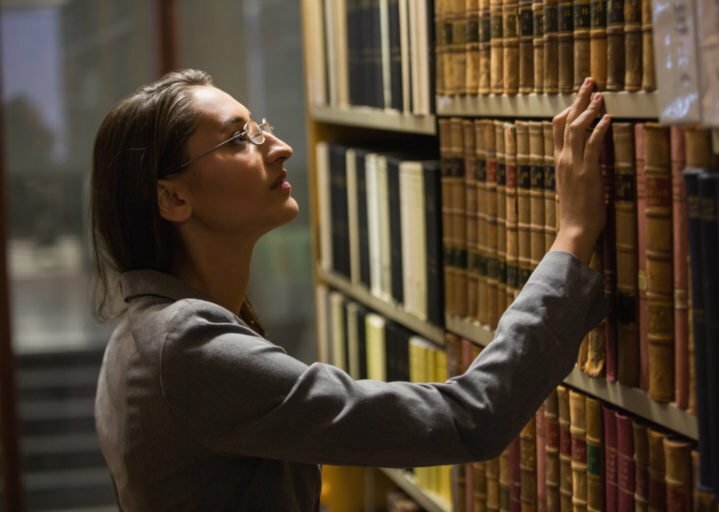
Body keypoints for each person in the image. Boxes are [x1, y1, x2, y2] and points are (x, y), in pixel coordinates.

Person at [91, 69, 611, 511]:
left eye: (260, 127)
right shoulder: (185, 347)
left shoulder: (138, 334)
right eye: (238, 139)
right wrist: (573, 235)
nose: (281, 146)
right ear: (172, 198)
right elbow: (470, 417)